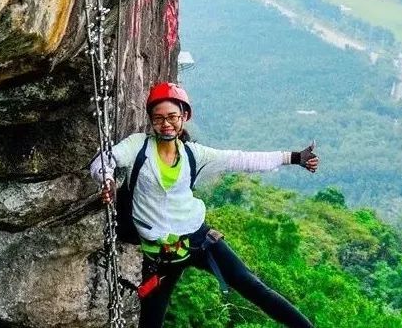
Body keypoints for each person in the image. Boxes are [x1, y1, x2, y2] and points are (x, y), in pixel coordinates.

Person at [90, 82, 318, 328]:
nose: (165, 124)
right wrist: (108, 179)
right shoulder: (139, 146)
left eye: (172, 117)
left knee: (253, 287)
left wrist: (294, 157)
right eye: (158, 119)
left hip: (200, 240)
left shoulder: (193, 154)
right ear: (151, 121)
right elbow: (105, 160)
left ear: (184, 117)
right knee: (150, 322)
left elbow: (241, 159)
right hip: (160, 255)